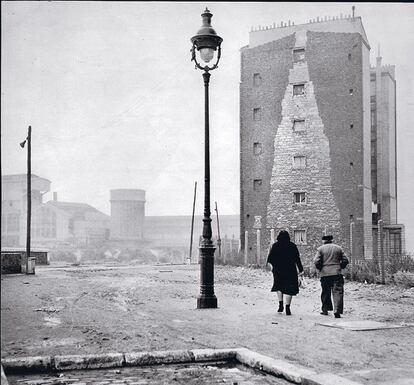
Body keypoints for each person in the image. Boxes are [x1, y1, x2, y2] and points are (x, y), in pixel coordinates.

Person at [267, 230, 304, 316]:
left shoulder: (275, 246)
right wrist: (301, 269)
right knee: (290, 288)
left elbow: (270, 259)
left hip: (278, 270)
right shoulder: (292, 246)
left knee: (279, 286)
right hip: (290, 270)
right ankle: (287, 307)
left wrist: (273, 267)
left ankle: (280, 304)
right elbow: (297, 259)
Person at [313, 235, 349, 318]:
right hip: (337, 273)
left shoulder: (320, 249)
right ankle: (337, 310)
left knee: (325, 291)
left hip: (325, 274)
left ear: (323, 241)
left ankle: (325, 310)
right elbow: (346, 260)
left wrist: (320, 268)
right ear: (332, 240)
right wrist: (340, 266)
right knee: (338, 291)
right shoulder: (338, 248)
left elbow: (316, 261)